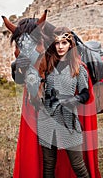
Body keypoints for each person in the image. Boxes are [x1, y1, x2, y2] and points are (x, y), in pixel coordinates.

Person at [37, 27, 95, 178]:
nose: (60, 46)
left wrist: (74, 99)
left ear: (70, 45)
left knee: (78, 165)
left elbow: (85, 93)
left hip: (68, 119)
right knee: (48, 165)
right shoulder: (47, 66)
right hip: (46, 119)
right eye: (57, 43)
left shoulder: (78, 68)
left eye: (64, 42)